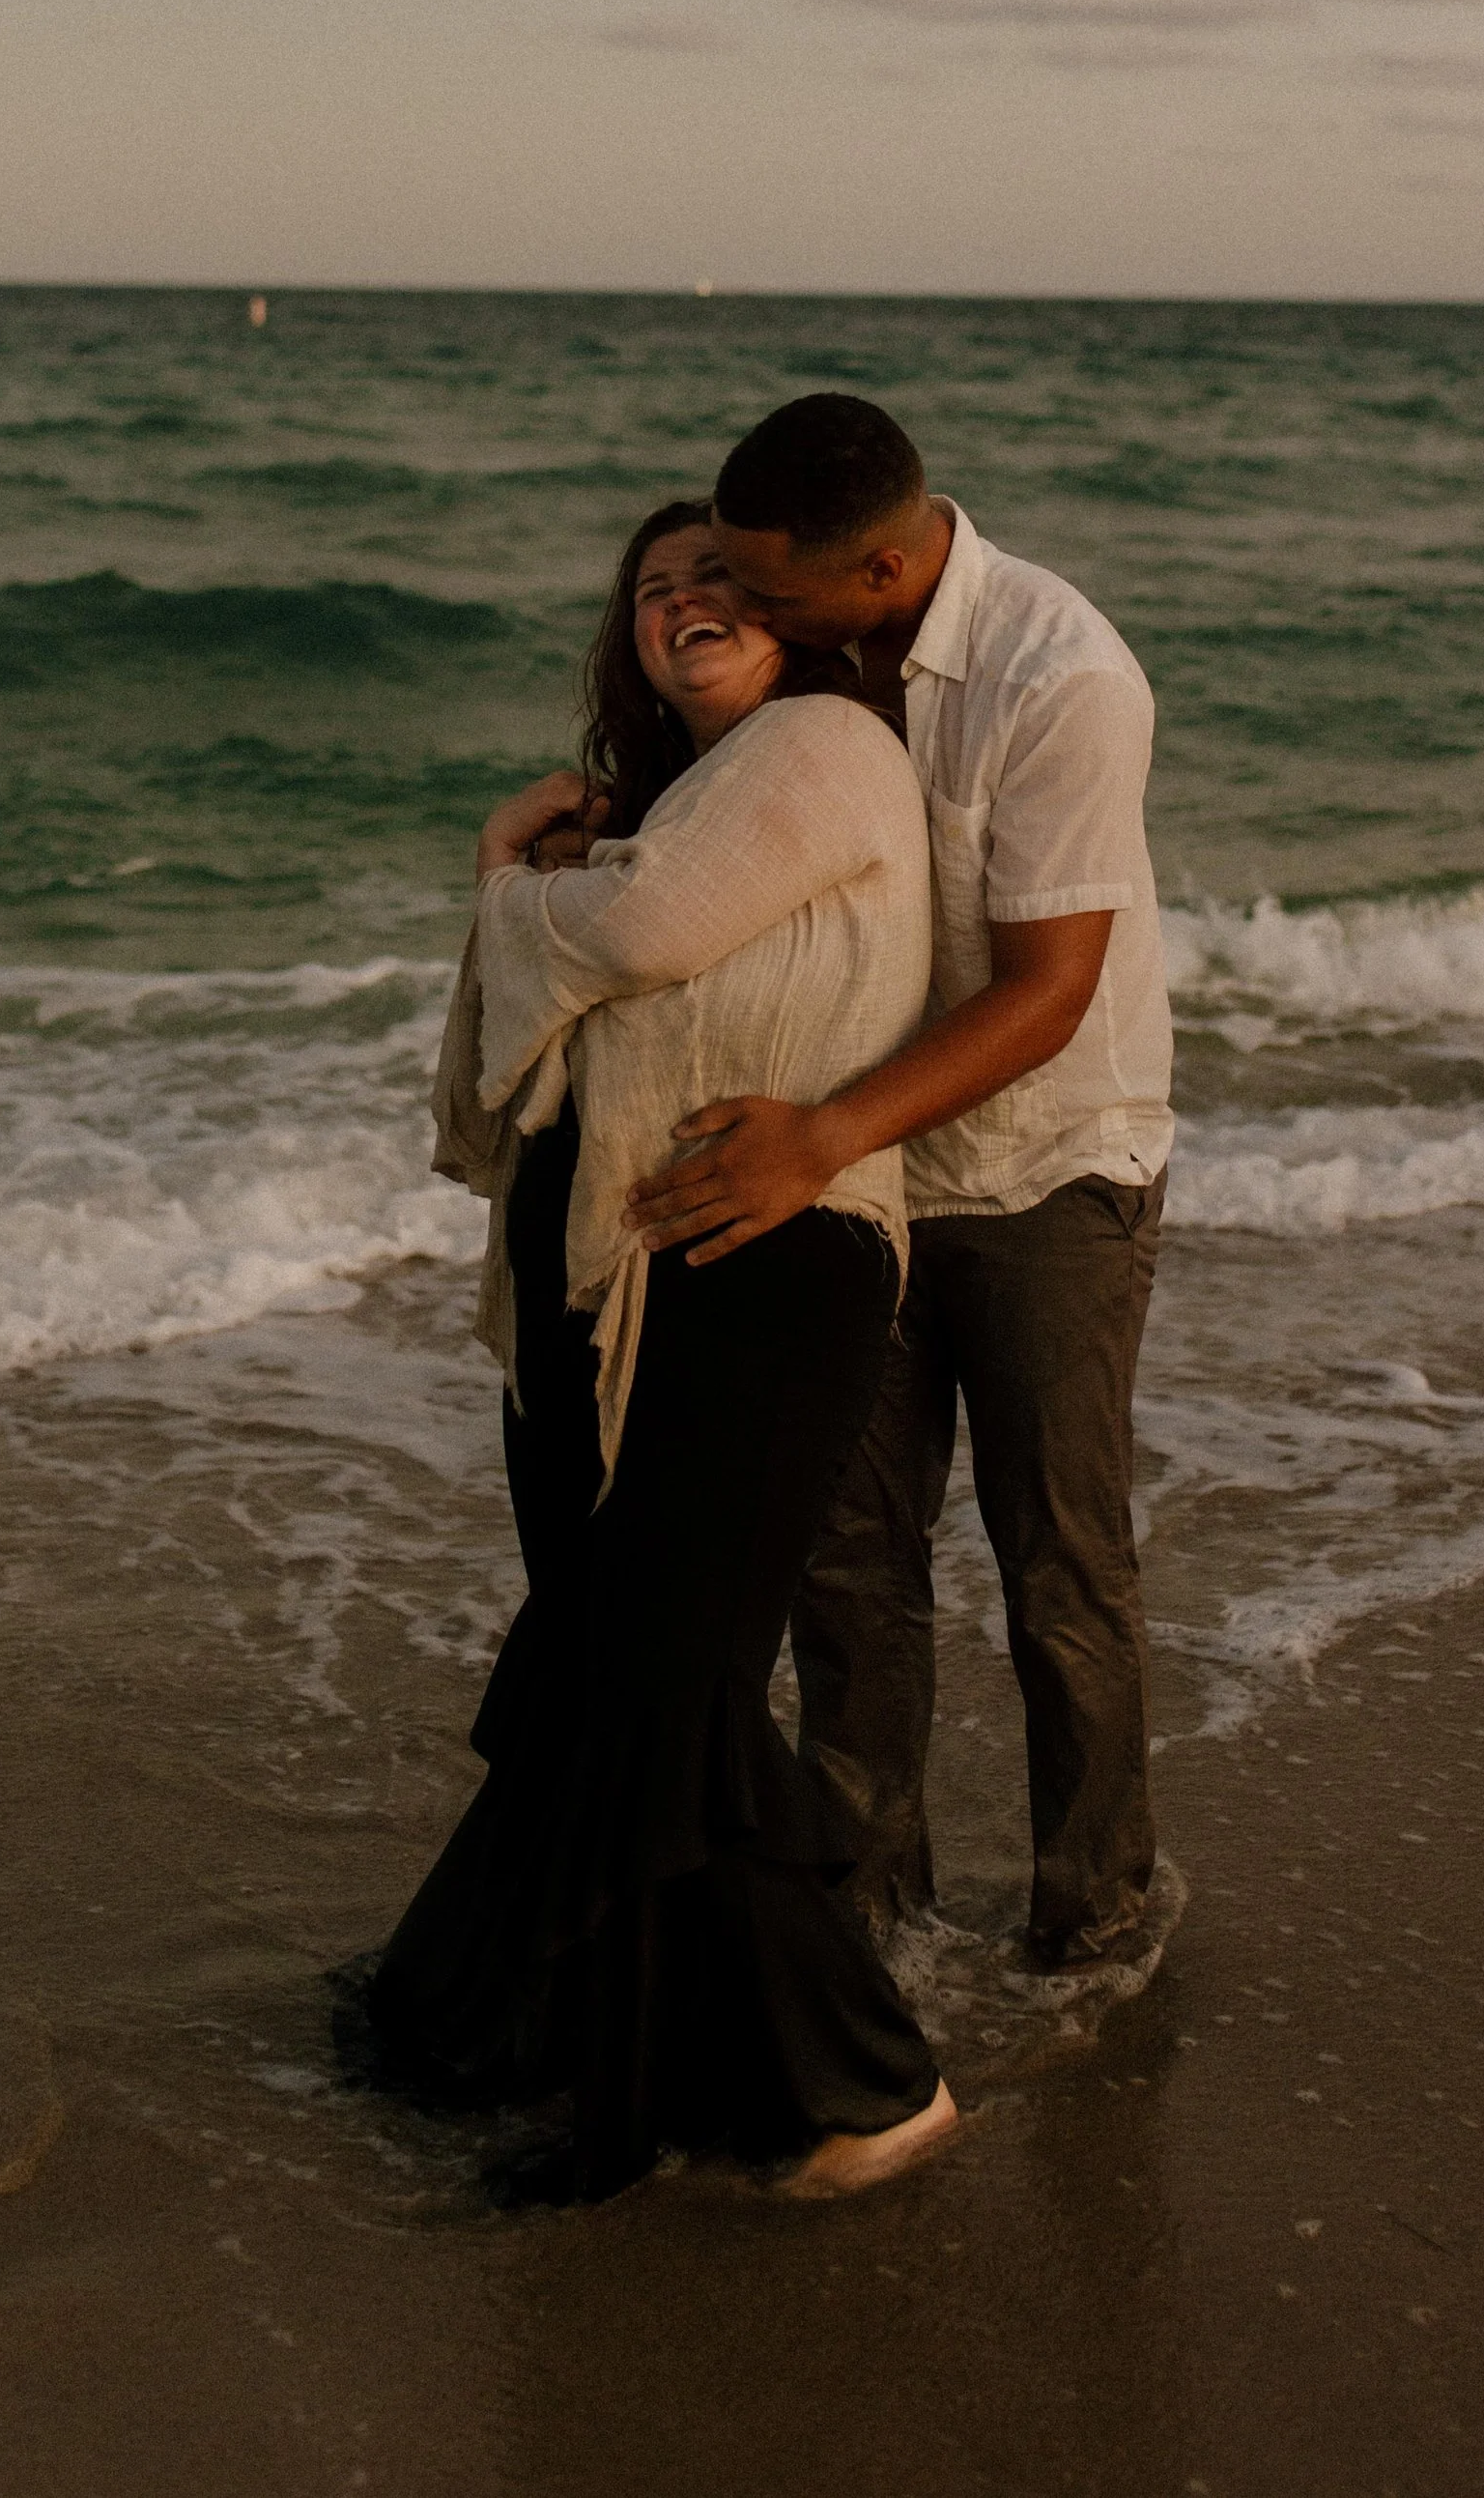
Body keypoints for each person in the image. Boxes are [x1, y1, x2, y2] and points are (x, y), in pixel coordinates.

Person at [354, 500, 956, 2202]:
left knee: (666, 1690)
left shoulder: (824, 741)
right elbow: (575, 997)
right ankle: (615, 2051)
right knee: (620, 1679)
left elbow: (632, 940)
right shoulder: (671, 808)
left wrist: (506, 873)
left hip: (756, 1274)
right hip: (611, 1283)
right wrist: (571, 873)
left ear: (791, 607)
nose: (682, 603)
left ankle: (871, 2084)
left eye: (716, 578)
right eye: (652, 589)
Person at [625, 397, 1174, 1972]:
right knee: (844, 1561)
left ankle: (1097, 1920)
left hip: (1044, 1167)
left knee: (1060, 1567)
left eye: (764, 588)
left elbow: (1046, 990)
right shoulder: (800, 648)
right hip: (859, 1180)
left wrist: (816, 1134)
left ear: (877, 571)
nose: (734, 608)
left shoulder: (1060, 674)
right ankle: (866, 1931)